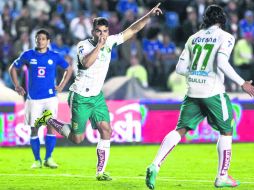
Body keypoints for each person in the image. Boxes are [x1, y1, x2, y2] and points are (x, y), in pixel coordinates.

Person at [34, 3, 162, 181]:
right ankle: (48, 118)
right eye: (98, 31)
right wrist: (99, 47)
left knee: (106, 130)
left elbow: (132, 30)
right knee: (77, 138)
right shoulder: (83, 46)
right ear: (92, 32)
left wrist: (148, 15)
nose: (102, 35)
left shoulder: (110, 41)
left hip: (97, 97)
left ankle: (100, 173)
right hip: (80, 96)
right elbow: (86, 64)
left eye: (105, 31)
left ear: (108, 31)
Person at [145, 5, 254, 189]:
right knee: (226, 130)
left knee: (180, 130)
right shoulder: (226, 37)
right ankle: (222, 177)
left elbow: (179, 69)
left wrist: (196, 74)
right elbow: (221, 62)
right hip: (213, 91)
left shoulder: (193, 38)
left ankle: (155, 165)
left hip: (193, 91)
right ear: (222, 20)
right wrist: (243, 82)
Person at [9, 29, 73, 169]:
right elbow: (13, 68)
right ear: (35, 40)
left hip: (50, 98)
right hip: (33, 99)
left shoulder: (55, 56)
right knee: (34, 129)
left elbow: (69, 69)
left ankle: (49, 158)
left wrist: (62, 85)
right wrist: (17, 86)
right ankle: (37, 160)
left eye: (43, 38)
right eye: (38, 38)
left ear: (48, 41)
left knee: (51, 127)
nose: (40, 41)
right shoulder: (28, 55)